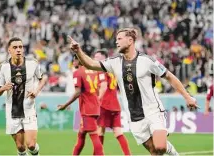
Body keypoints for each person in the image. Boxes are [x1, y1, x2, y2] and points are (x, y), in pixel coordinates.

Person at [67, 28, 198, 155]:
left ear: (130, 40)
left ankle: (172, 152)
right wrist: (78, 51)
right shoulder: (114, 62)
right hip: (134, 116)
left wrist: (187, 97)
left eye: (119, 39)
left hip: (153, 110)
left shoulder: (147, 60)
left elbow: (169, 76)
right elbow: (91, 64)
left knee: (160, 147)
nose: (116, 42)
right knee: (154, 151)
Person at [0, 37, 47, 156]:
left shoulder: (32, 63)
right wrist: (3, 88)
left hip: (29, 109)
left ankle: (35, 153)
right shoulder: (3, 67)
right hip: (12, 111)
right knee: (21, 147)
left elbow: (43, 78)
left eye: (20, 47)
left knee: (31, 145)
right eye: (15, 47)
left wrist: (36, 90)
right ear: (9, 50)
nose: (18, 50)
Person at [57, 55, 104, 155]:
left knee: (94, 136)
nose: (73, 62)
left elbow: (78, 92)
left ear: (80, 60)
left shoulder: (77, 73)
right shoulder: (94, 71)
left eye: (74, 60)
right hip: (95, 107)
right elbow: (98, 88)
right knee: (81, 134)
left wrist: (65, 105)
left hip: (87, 110)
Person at [93, 50, 131, 155]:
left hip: (104, 104)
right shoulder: (112, 69)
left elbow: (104, 86)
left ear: (104, 58)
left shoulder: (101, 70)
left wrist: (98, 100)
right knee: (118, 132)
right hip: (115, 105)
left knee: (99, 131)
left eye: (98, 57)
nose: (95, 59)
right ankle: (128, 154)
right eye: (94, 57)